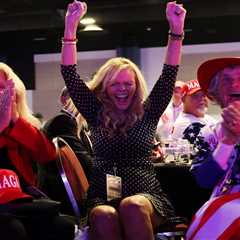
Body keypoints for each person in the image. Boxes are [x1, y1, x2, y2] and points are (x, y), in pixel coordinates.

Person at [61, 1, 186, 239]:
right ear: (106, 88)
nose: (122, 89)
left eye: (128, 84)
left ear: (136, 86)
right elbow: (69, 73)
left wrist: (177, 29)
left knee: (132, 206)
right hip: (102, 196)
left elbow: (169, 72)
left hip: (146, 197)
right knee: (105, 214)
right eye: (115, 84)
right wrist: (70, 25)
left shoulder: (149, 110)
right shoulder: (94, 111)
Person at [0, 62, 75, 240]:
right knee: (12, 229)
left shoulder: (22, 126)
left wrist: (15, 120)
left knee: (61, 226)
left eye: (2, 88)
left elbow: (47, 155)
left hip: (20, 200)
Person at [184, 57, 240, 240]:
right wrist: (227, 141)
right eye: (226, 80)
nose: (235, 84)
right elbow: (203, 180)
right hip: (221, 205)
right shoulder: (209, 132)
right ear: (214, 93)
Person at [39, 86, 93, 214]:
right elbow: (84, 163)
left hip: (76, 191)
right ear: (64, 100)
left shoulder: (79, 125)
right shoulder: (63, 121)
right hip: (65, 196)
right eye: (80, 97)